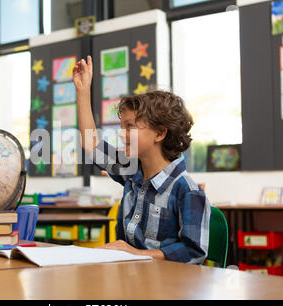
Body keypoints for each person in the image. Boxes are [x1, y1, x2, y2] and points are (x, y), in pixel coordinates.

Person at [73, 55, 211, 264]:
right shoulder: (131, 172)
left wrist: (137, 254)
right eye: (122, 127)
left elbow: (194, 251)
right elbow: (92, 145)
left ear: (159, 133)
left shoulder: (187, 191)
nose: (121, 134)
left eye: (130, 127)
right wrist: (83, 92)